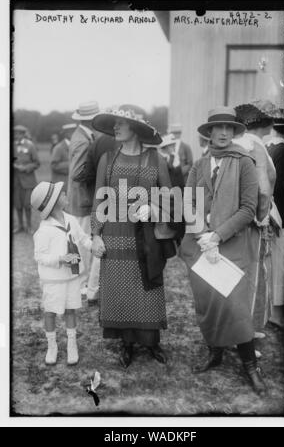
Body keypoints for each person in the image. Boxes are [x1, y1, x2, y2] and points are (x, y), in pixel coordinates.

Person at [179, 107, 267, 396]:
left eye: (229, 128)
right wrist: (202, 235)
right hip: (202, 243)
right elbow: (188, 203)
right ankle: (214, 352)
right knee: (208, 301)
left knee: (235, 305)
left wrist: (218, 235)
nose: (224, 133)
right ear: (209, 133)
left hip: (234, 243)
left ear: (235, 133)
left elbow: (248, 209)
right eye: (218, 128)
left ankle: (250, 365)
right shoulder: (199, 165)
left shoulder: (245, 162)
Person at [91, 105, 176, 368]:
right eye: (114, 123)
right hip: (114, 236)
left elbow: (171, 198)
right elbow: (99, 198)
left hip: (145, 237)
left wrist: (153, 208)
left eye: (121, 123)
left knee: (147, 290)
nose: (116, 128)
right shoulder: (107, 158)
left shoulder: (156, 159)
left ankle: (151, 342)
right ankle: (126, 343)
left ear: (135, 129)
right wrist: (95, 234)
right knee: (119, 290)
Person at [31, 181, 96, 365]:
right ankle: (52, 346)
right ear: (52, 203)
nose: (66, 193)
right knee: (50, 312)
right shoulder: (44, 230)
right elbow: (39, 256)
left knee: (70, 310)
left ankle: (71, 344)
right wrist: (61, 258)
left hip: (72, 277)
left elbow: (83, 239)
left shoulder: (71, 220)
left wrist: (95, 247)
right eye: (61, 193)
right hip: (53, 280)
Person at [235, 101, 277, 335]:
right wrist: (263, 219)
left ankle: (244, 327)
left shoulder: (243, 143)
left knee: (243, 271)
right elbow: (262, 188)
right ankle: (243, 330)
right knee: (250, 272)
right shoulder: (254, 145)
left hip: (240, 215)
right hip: (252, 218)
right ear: (265, 122)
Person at [67, 101, 101, 303]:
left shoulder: (83, 135)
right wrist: (98, 174)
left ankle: (81, 285)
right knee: (81, 244)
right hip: (82, 200)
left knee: (81, 242)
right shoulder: (82, 140)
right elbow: (78, 173)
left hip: (80, 198)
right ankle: (80, 286)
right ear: (91, 119)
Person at [265, 111, 284, 328]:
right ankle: (277, 312)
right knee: (280, 263)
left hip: (270, 211)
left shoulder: (268, 147)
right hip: (281, 214)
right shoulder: (283, 149)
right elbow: (281, 185)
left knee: (272, 262)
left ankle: (272, 308)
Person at [13, 125, 40, 234]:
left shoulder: (30, 146)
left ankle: (29, 226)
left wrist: (25, 168)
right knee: (17, 204)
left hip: (28, 181)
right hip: (15, 181)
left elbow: (37, 163)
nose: (17, 135)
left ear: (24, 134)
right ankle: (20, 225)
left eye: (19, 133)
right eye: (15, 133)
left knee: (27, 205)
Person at [51, 124, 76, 191]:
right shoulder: (59, 148)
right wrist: (73, 164)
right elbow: (54, 165)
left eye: (74, 131)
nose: (74, 134)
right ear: (66, 134)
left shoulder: (76, 145)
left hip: (72, 185)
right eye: (71, 132)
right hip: (62, 186)